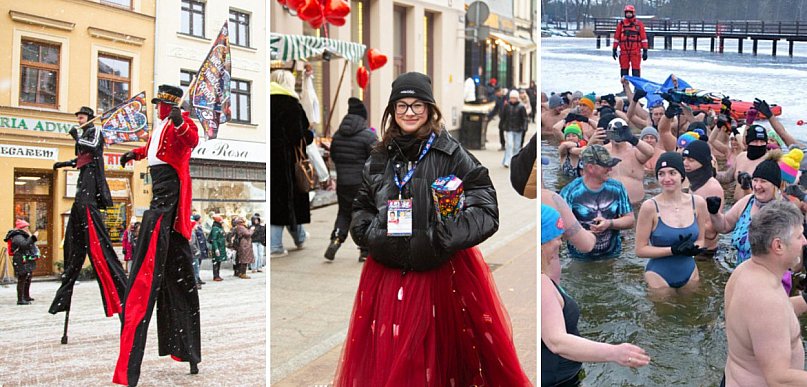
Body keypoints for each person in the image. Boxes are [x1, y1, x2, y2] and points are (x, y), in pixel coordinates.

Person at [334, 72, 531, 385]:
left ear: (430, 109)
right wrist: (372, 233)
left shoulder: (451, 154)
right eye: (401, 106)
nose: (409, 113)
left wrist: (446, 234)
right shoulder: (378, 157)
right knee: (392, 351)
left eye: (417, 105)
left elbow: (486, 207)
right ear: (391, 111)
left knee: (434, 353)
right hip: (385, 272)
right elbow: (360, 207)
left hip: (438, 273)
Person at [113, 84, 201, 385]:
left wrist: (179, 120)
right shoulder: (160, 126)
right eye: (159, 104)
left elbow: (191, 140)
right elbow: (150, 150)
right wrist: (133, 154)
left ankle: (185, 350)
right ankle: (186, 349)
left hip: (170, 191)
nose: (160, 108)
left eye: (164, 104)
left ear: (172, 105)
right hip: (159, 187)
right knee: (174, 267)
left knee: (159, 255)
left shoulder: (181, 122)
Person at [541, 204, 650, 386]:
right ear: (542, 243)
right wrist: (614, 353)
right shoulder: (542, 283)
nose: (560, 244)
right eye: (556, 238)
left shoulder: (544, 278)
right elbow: (557, 341)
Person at [50, 106, 127, 321]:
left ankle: (121, 296)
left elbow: (93, 148)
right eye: (78, 117)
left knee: (90, 226)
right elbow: (81, 159)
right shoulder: (85, 135)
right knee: (74, 244)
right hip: (84, 181)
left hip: (91, 185)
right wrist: (64, 163)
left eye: (82, 117)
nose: (79, 119)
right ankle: (64, 293)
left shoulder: (95, 132)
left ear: (89, 118)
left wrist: (77, 135)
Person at [723, 201, 807, 386]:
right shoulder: (766, 300)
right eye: (799, 236)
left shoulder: (744, 271)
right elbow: (779, 379)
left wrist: (804, 301)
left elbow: (763, 321)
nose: (805, 242)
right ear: (778, 246)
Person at [708, 154, 796, 293]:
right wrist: (714, 213)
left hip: (770, 283)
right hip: (741, 279)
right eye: (755, 180)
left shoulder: (783, 212)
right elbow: (724, 226)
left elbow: (793, 255)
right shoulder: (748, 201)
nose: (757, 186)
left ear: (775, 186)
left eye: (763, 181)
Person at [635, 152, 708, 291]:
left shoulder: (697, 203)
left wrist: (693, 249)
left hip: (690, 271)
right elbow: (640, 250)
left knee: (693, 310)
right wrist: (672, 250)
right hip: (659, 275)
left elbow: (701, 240)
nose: (666, 178)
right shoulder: (649, 207)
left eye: (672, 173)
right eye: (661, 174)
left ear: (682, 175)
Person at [560, 145, 635, 260]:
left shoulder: (617, 187)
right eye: (606, 166)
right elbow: (558, 230)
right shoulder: (570, 192)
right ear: (590, 168)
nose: (610, 169)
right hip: (579, 258)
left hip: (612, 255)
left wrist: (609, 223)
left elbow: (630, 220)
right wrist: (583, 234)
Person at [326, 97, 377, 262]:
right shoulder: (368, 136)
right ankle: (364, 250)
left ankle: (336, 239)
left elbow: (333, 156)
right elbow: (377, 159)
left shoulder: (337, 135)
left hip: (343, 183)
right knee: (364, 214)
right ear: (363, 118)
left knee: (344, 213)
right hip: (361, 184)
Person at [270, 70, 311, 258]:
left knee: (278, 202)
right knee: (286, 202)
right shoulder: (292, 104)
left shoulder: (265, 100)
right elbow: (301, 135)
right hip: (287, 162)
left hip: (269, 159)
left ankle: (300, 237)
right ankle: (275, 245)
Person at [682, 140, 724, 256]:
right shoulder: (694, 184)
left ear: (703, 163)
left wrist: (681, 216)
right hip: (691, 249)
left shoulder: (712, 187)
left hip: (705, 253)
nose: (685, 163)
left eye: (691, 160)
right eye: (684, 159)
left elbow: (712, 230)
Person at [600, 117, 655, 204]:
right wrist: (592, 140)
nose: (617, 136)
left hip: (636, 205)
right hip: (609, 206)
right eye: (614, 133)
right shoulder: (602, 152)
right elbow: (584, 159)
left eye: (620, 133)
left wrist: (632, 138)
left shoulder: (635, 151)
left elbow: (650, 152)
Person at [4, 219, 39, 305]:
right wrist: (33, 237)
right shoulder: (17, 236)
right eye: (26, 227)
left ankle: (26, 296)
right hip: (20, 259)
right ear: (21, 228)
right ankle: (20, 299)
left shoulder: (23, 235)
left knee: (28, 277)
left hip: (26, 258)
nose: (27, 229)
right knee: (22, 278)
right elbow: (25, 245)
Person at [612, 5, 648, 77]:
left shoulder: (639, 24)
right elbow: (616, 38)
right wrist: (614, 49)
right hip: (624, 52)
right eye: (627, 12)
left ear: (633, 13)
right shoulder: (621, 24)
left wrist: (645, 50)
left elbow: (643, 38)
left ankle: (637, 87)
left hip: (635, 52)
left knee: (636, 70)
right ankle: (625, 87)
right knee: (624, 70)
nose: (628, 14)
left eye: (630, 12)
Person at [501, 89, 529, 168]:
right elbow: (503, 116)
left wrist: (524, 127)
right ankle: (507, 161)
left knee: (517, 146)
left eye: (514, 98)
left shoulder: (521, 107)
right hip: (509, 128)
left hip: (518, 129)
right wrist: (502, 125)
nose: (512, 99)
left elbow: (524, 118)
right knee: (509, 145)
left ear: (517, 98)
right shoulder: (507, 106)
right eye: (511, 98)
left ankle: (515, 161)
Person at [189, 214, 208, 288]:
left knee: (196, 267)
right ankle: (196, 282)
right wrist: (196, 250)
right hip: (195, 253)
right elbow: (192, 243)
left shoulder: (194, 231)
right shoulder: (192, 233)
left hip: (197, 250)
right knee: (195, 268)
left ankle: (197, 280)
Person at [487, 86, 507, 151]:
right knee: (501, 130)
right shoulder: (498, 99)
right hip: (502, 118)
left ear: (500, 91)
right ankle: (503, 145)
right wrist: (489, 115)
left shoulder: (506, 97)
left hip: (509, 118)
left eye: (497, 93)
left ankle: (512, 145)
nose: (496, 94)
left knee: (510, 132)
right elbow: (496, 109)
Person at [208, 214, 227, 281]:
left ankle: (217, 275)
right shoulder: (215, 228)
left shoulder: (219, 227)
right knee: (216, 261)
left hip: (220, 247)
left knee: (218, 261)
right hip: (218, 247)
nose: (222, 221)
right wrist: (216, 249)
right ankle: (215, 276)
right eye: (221, 220)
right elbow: (214, 239)